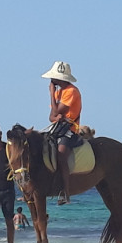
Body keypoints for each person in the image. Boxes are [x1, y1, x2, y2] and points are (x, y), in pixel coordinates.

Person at [41, 61, 82, 205]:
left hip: (69, 130)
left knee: (61, 154)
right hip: (57, 129)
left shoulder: (71, 91)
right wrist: (56, 114)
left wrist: (51, 94)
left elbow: (57, 111)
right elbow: (52, 117)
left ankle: (65, 191)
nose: (52, 81)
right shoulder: (60, 92)